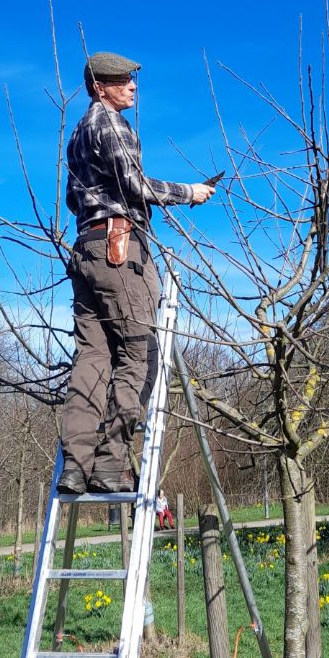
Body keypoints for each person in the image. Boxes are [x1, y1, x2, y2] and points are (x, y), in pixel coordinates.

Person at [56, 50, 215, 495]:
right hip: (119, 250)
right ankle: (110, 463)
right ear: (99, 88)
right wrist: (189, 192)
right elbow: (136, 186)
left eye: (131, 79)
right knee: (141, 355)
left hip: (87, 248)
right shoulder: (111, 123)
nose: (132, 86)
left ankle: (76, 466)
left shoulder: (78, 134)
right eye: (121, 80)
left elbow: (73, 200)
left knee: (92, 360)